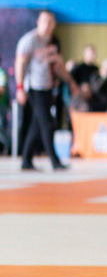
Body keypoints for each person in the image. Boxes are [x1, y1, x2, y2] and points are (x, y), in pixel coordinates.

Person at [15, 11, 78, 171]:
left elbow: (59, 66)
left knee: (37, 124)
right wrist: (20, 87)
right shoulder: (29, 40)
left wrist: (71, 82)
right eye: (45, 21)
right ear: (38, 22)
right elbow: (19, 64)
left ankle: (26, 161)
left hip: (47, 88)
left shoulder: (52, 42)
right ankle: (55, 161)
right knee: (47, 123)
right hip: (34, 88)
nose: (47, 25)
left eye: (51, 22)